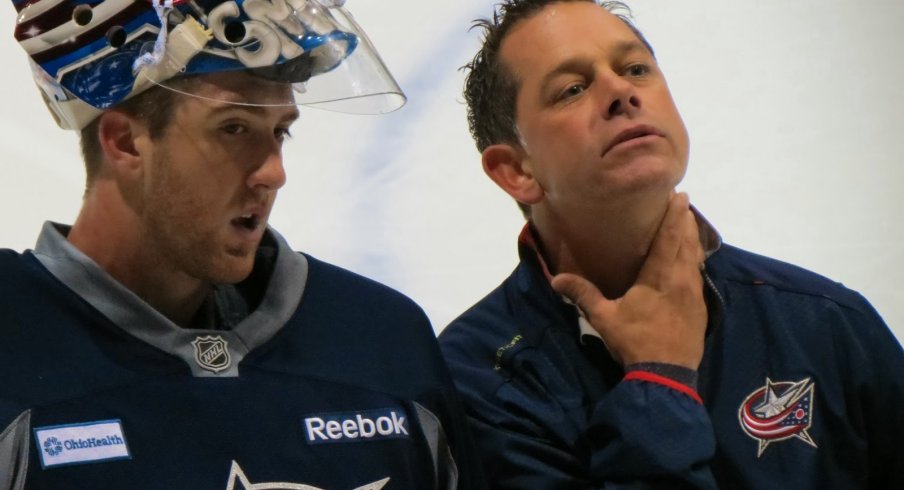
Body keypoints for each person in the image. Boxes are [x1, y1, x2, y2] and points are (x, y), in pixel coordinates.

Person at [0, 0, 483, 488]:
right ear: (125, 142)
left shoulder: (380, 339)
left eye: (281, 131)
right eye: (233, 128)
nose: (274, 172)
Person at [438, 0, 904, 488]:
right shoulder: (476, 381)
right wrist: (658, 378)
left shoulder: (826, 321)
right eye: (572, 89)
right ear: (516, 170)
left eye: (636, 68)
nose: (621, 91)